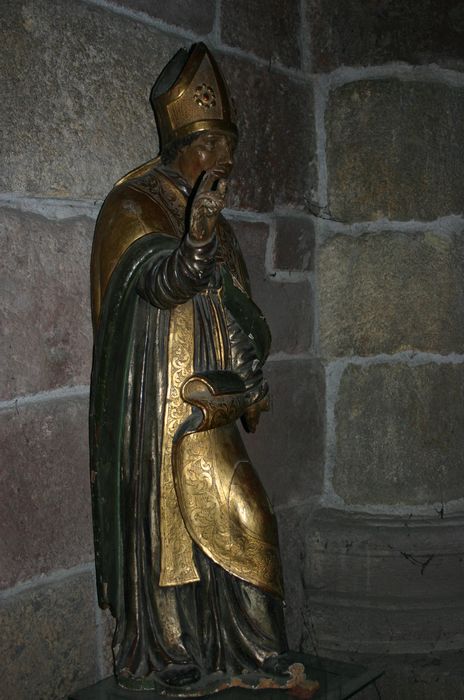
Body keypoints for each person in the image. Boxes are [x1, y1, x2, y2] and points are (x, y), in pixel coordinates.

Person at [89, 42, 294, 695]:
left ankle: (257, 650)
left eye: (229, 142)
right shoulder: (132, 207)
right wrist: (196, 241)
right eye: (211, 142)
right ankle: (167, 648)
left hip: (216, 403)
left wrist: (250, 372)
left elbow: (239, 308)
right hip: (159, 403)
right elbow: (157, 281)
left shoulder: (217, 219)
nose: (225, 157)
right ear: (180, 146)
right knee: (167, 530)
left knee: (248, 517)